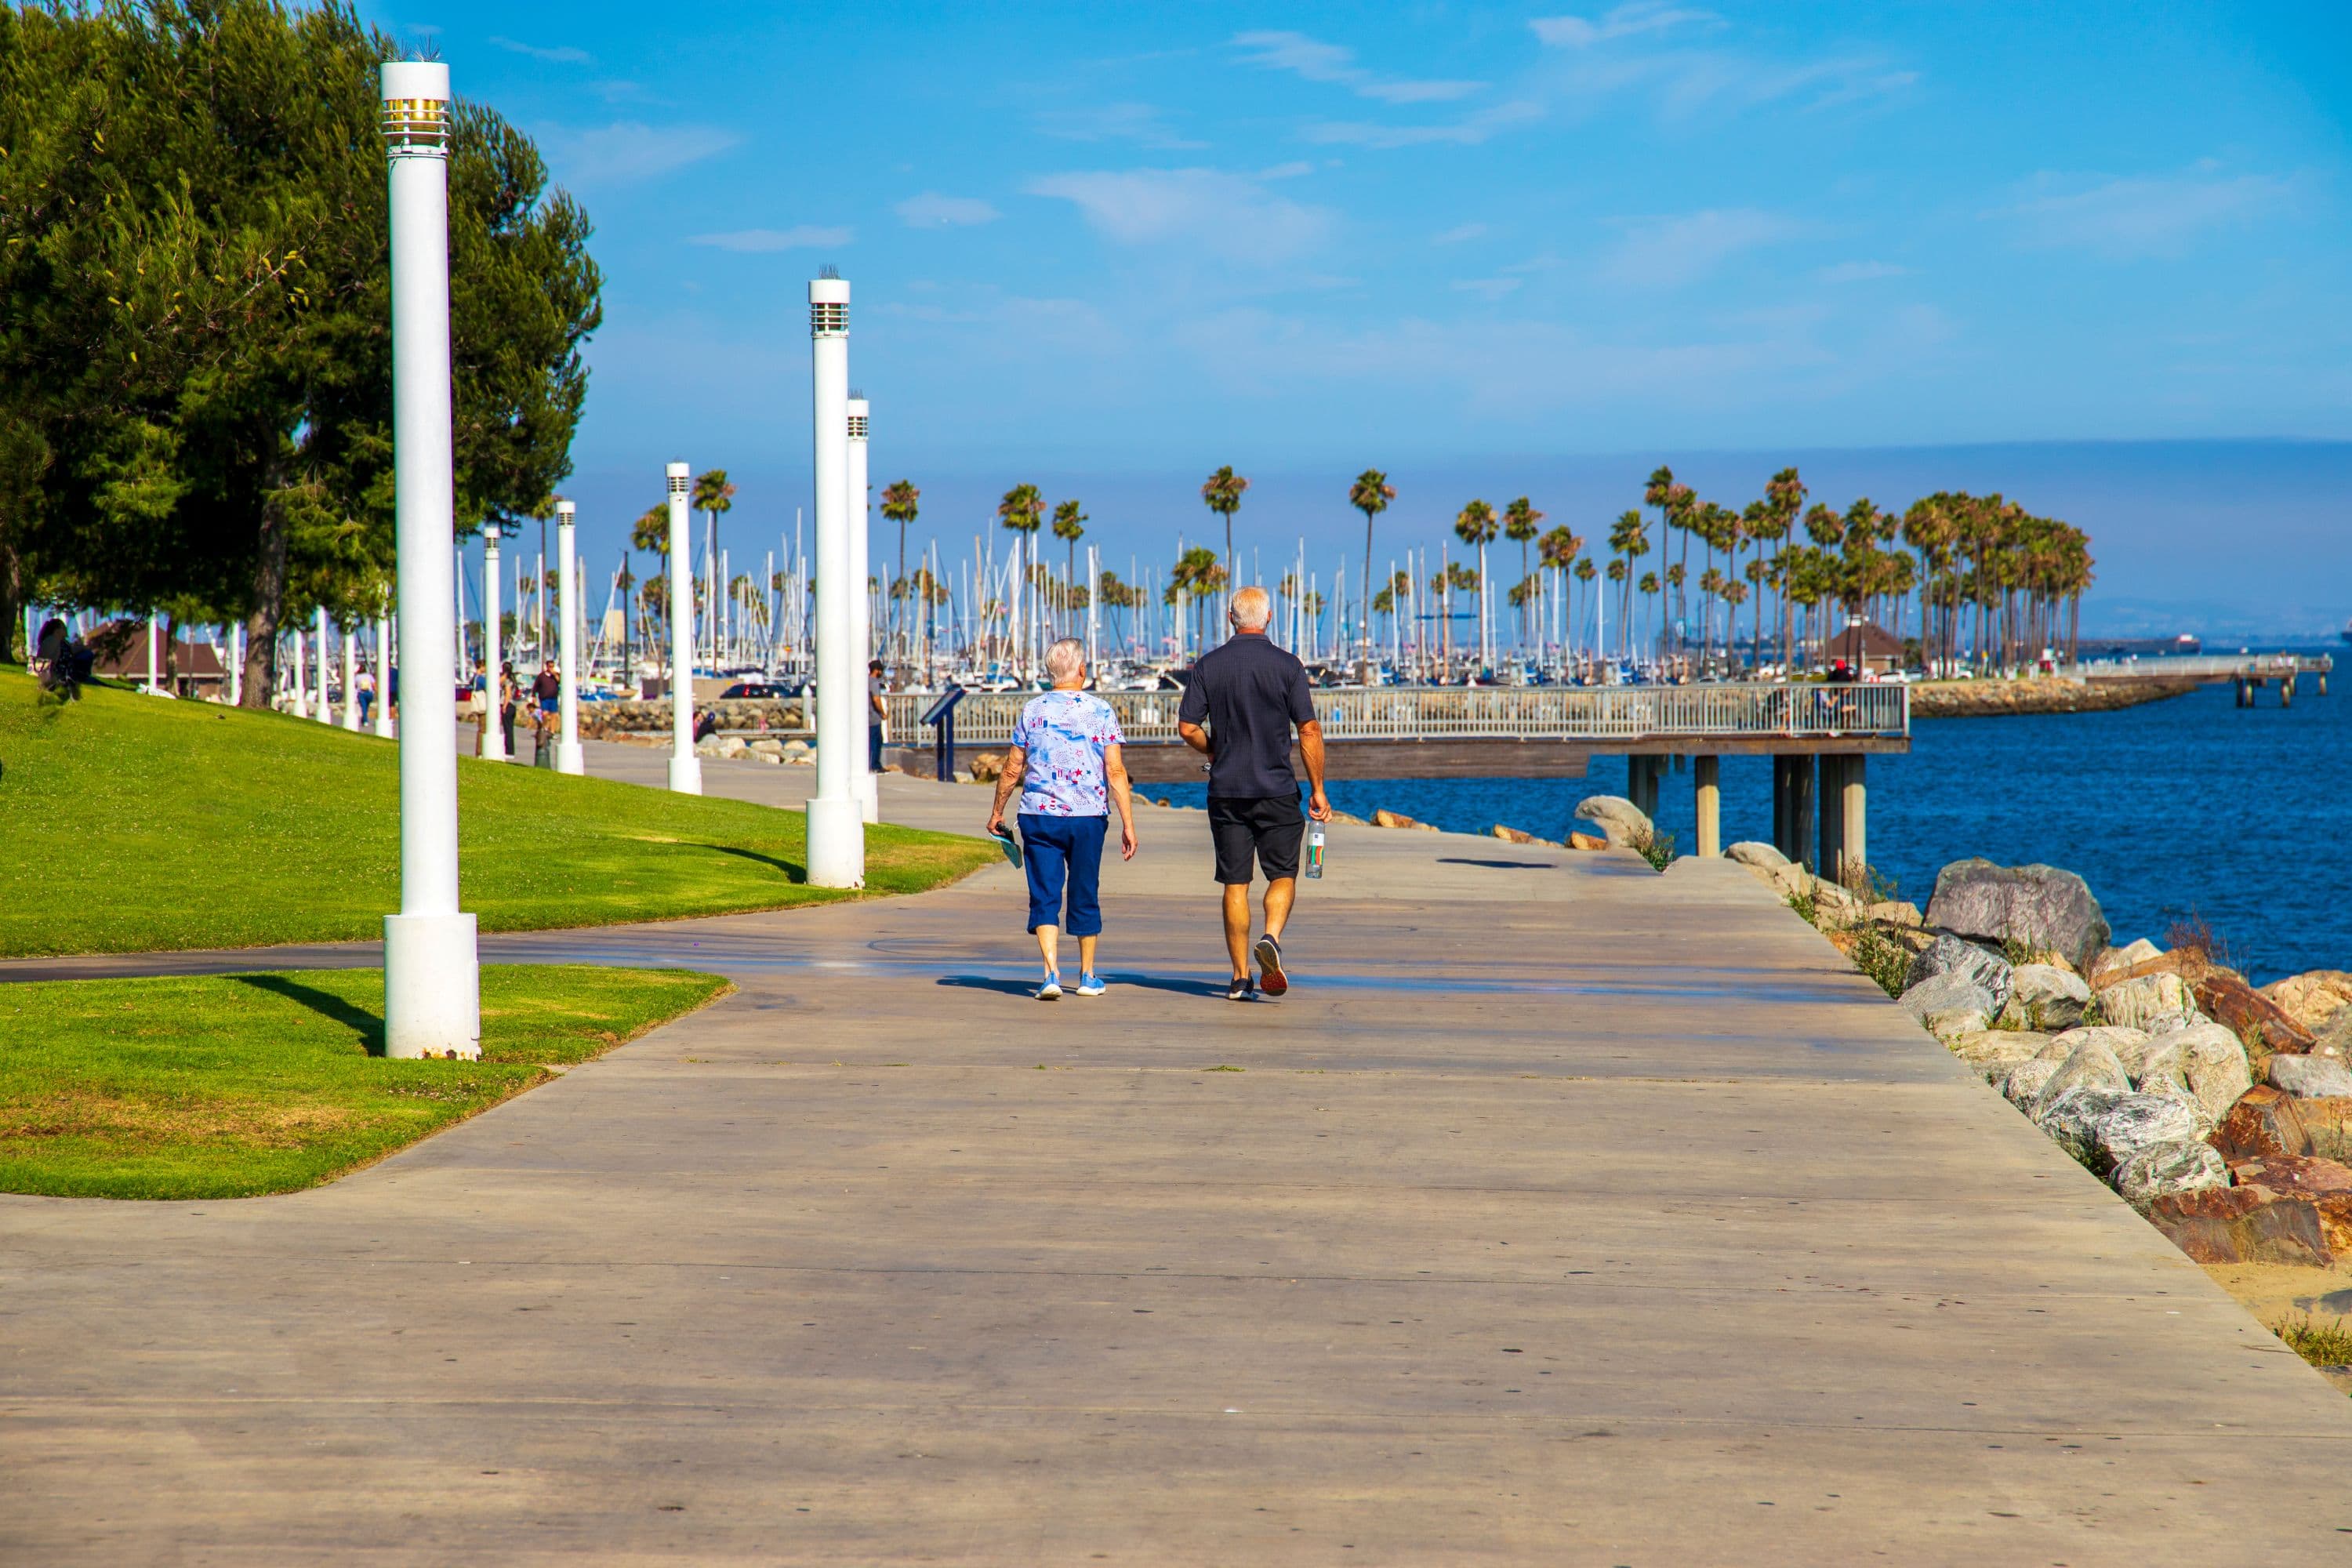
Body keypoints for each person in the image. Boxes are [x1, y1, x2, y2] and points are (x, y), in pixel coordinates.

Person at [1178, 586, 1332, 1001]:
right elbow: (1309, 730)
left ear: (1231, 618)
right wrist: (1318, 789)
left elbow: (1188, 727)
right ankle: (1271, 938)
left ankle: (1239, 978)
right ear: (1268, 619)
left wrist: (1214, 748)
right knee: (1283, 874)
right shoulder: (1288, 666)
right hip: (1277, 788)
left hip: (1226, 789)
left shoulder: (1208, 666)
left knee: (1235, 883)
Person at [985, 637, 1138, 1000]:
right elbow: (1115, 771)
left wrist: (996, 812)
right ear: (1082, 670)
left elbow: (1012, 768)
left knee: (1045, 893)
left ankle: (1050, 973)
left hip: (1039, 816)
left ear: (1050, 673)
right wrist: (1129, 824)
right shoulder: (1101, 711)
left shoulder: (1032, 710)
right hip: (1087, 818)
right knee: (1085, 891)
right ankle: (1087, 976)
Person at [868, 658, 887, 773]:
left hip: (866, 717)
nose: (881, 672)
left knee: (869, 741)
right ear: (876, 670)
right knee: (877, 741)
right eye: (880, 670)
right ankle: (875, 765)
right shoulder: (874, 683)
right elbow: (876, 699)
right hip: (874, 717)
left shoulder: (865, 681)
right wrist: (882, 713)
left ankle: (870, 764)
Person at [354, 663, 376, 727]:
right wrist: (375, 691)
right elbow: (374, 684)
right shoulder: (369, 676)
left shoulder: (357, 677)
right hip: (369, 693)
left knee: (363, 707)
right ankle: (365, 719)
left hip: (361, 693)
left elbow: (355, 685)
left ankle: (365, 720)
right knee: (366, 707)